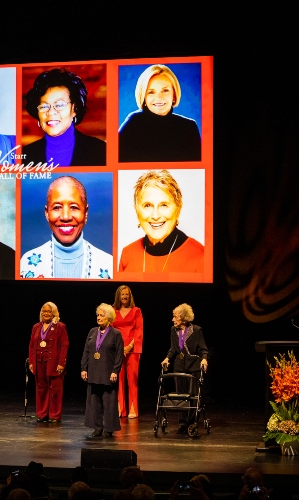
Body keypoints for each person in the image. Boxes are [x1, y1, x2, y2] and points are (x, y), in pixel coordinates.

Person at [20, 176, 113, 279]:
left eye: (74, 207)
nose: (65, 217)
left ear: (85, 213)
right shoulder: (27, 264)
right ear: (47, 213)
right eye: (57, 207)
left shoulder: (108, 265)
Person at [118, 170, 204, 273]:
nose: (155, 216)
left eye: (164, 205)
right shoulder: (127, 254)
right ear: (137, 210)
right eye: (147, 205)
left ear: (178, 208)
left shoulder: (200, 256)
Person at [23, 68, 106, 167]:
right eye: (44, 106)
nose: (51, 112)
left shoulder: (101, 151)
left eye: (59, 105)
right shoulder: (24, 155)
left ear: (74, 109)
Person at [119, 64, 201, 162]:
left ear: (174, 95)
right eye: (151, 92)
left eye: (165, 90)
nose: (159, 97)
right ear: (143, 97)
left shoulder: (189, 127)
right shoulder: (133, 124)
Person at [161, 303, 208, 431]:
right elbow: (172, 349)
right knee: (180, 395)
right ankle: (182, 422)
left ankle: (192, 421)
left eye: (175, 317)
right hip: (179, 366)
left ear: (184, 318)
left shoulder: (196, 330)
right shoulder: (173, 330)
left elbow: (203, 349)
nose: (173, 319)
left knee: (192, 395)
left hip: (193, 366)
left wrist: (204, 360)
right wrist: (167, 358)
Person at [81, 303, 123, 438]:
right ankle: (97, 428)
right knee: (94, 401)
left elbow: (119, 355)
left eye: (102, 315)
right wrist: (83, 368)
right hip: (93, 371)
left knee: (109, 402)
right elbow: (86, 351)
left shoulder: (116, 334)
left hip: (108, 372)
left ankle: (109, 429)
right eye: (98, 315)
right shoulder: (92, 332)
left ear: (109, 318)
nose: (98, 318)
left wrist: (115, 371)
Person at [28, 302, 69, 423]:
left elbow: (64, 345)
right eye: (44, 311)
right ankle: (42, 414)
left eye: (48, 311)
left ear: (54, 313)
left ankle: (54, 415)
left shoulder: (59, 326)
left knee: (55, 389)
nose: (46, 313)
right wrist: (31, 362)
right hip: (39, 361)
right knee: (41, 388)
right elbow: (31, 345)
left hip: (54, 362)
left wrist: (62, 363)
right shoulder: (36, 327)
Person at [112, 285, 143, 419]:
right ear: (118, 296)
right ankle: (120, 408)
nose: (125, 297)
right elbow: (110, 330)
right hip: (117, 349)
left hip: (133, 349)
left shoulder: (136, 311)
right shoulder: (113, 311)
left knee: (132, 379)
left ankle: (132, 408)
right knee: (118, 379)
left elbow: (139, 330)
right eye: (122, 294)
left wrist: (130, 346)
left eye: (127, 294)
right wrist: (119, 348)